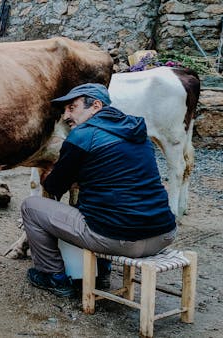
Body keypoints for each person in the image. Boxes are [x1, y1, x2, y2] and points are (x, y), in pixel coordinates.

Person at [21, 83, 177, 297]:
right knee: (105, 206)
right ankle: (103, 271)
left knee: (31, 207)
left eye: (72, 107)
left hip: (119, 241)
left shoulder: (83, 135)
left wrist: (52, 170)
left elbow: (54, 186)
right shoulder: (139, 132)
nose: (66, 115)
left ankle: (53, 276)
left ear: (95, 105)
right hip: (164, 234)